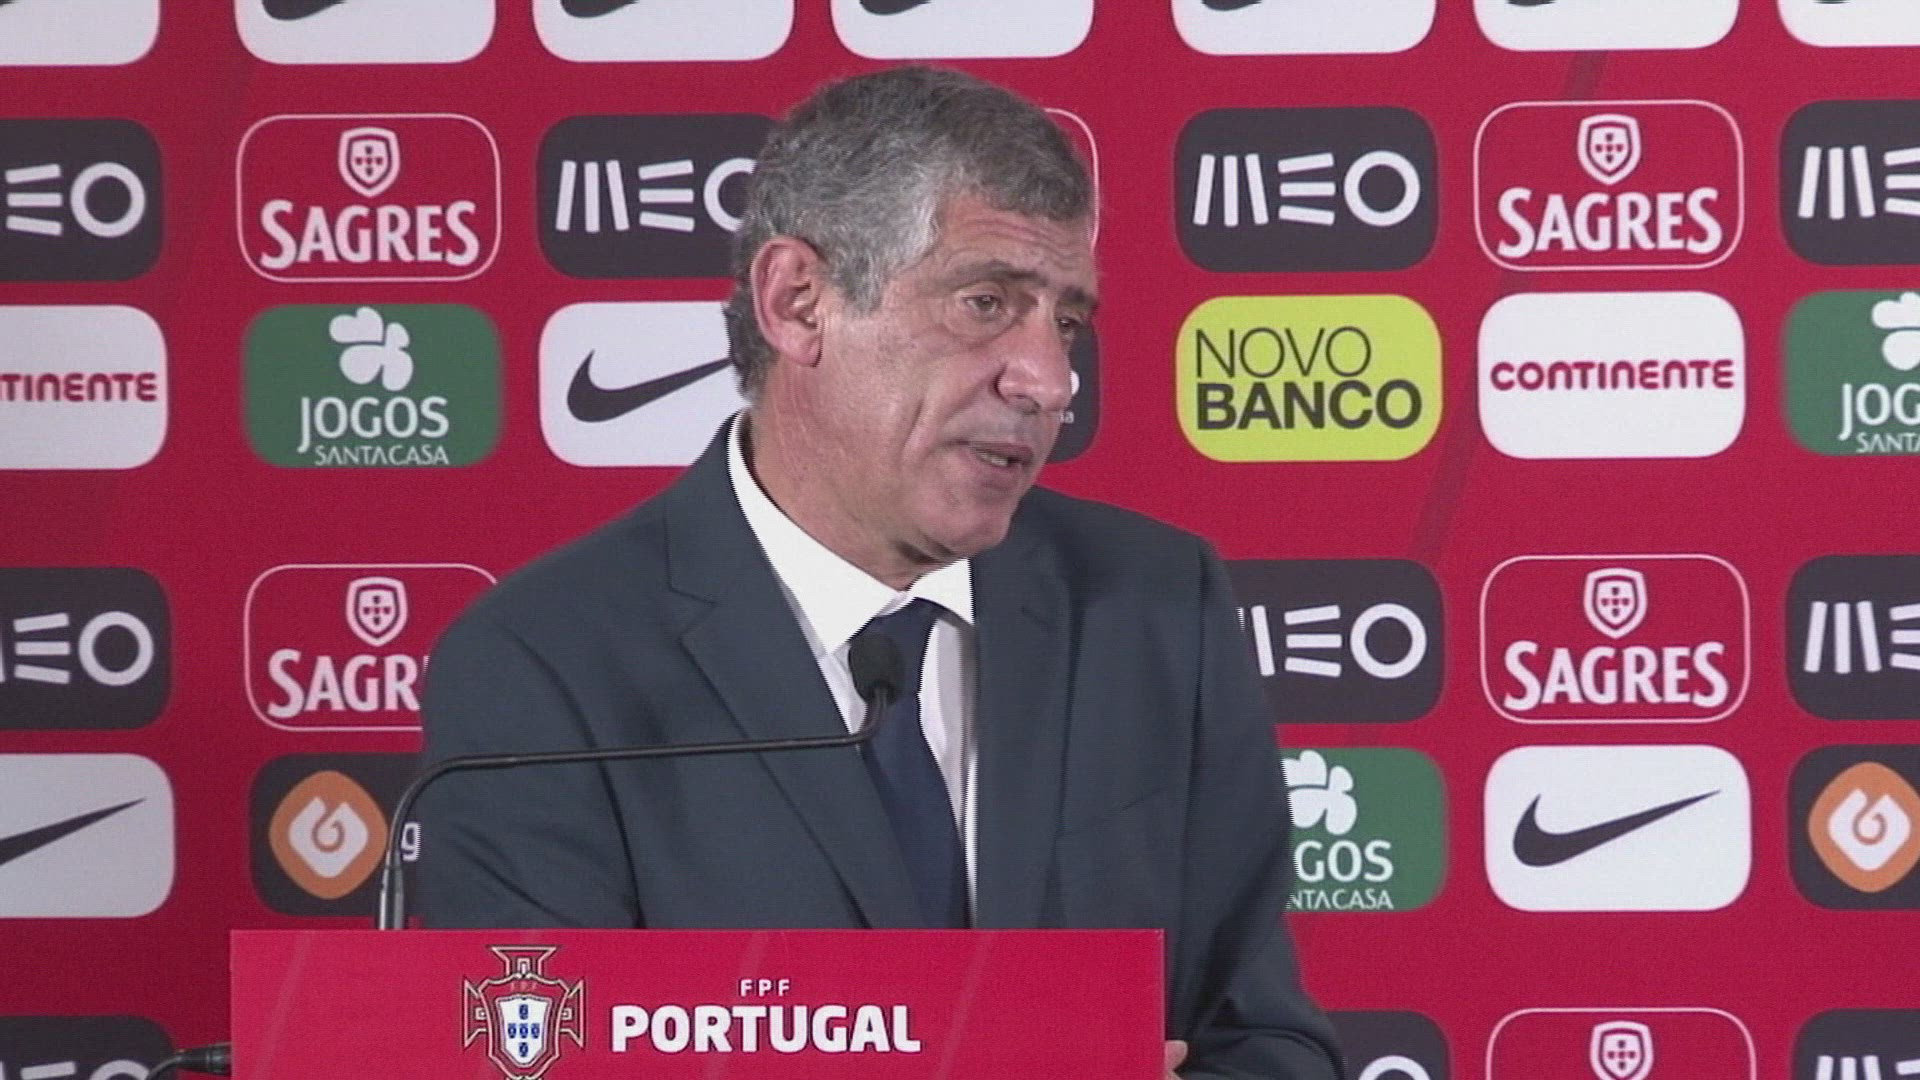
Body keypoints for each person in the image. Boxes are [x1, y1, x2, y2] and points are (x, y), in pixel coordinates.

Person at [417, 65, 1341, 1080]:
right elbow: (535, 1058)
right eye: (986, 302)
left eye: (1066, 322)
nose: (1048, 379)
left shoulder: (1154, 605)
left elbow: (1268, 1041)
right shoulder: (546, 666)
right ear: (798, 303)